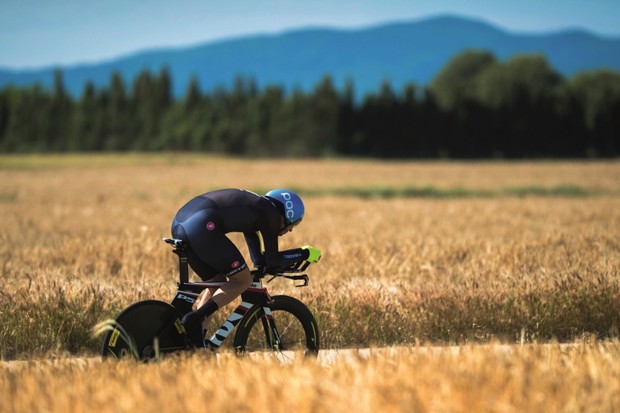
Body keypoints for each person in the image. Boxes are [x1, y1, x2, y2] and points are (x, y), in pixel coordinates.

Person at [171, 188, 321, 347]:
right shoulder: (270, 214)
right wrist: (303, 253)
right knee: (243, 280)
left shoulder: (257, 212)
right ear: (287, 213)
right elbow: (273, 259)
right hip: (202, 227)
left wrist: (281, 261)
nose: (290, 229)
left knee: (217, 281)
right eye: (294, 223)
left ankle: (195, 340)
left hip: (181, 225)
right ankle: (195, 318)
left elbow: (260, 260)